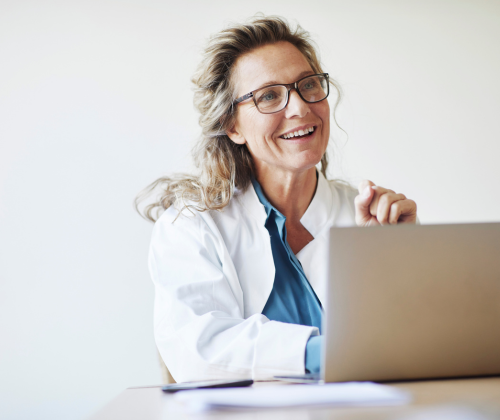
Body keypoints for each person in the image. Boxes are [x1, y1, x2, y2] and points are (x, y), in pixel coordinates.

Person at [137, 15, 417, 383]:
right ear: (232, 125)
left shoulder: (368, 217)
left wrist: (396, 256)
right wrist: (322, 353)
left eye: (309, 85)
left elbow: (410, 350)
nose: (300, 108)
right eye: (269, 95)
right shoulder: (190, 225)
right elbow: (198, 352)